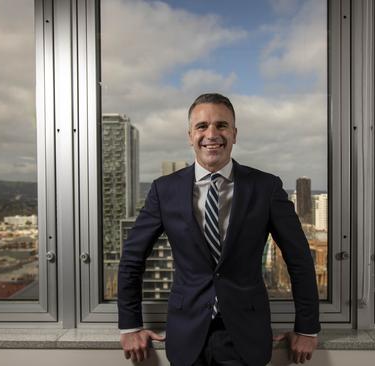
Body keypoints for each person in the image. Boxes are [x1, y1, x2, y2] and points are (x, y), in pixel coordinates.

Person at [118, 93, 320, 366]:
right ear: (190, 135)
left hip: (247, 336)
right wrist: (130, 326)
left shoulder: (266, 188)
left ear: (234, 134)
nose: (211, 134)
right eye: (202, 126)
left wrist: (306, 328)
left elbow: (299, 260)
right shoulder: (164, 190)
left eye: (222, 125)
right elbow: (132, 259)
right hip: (185, 335)